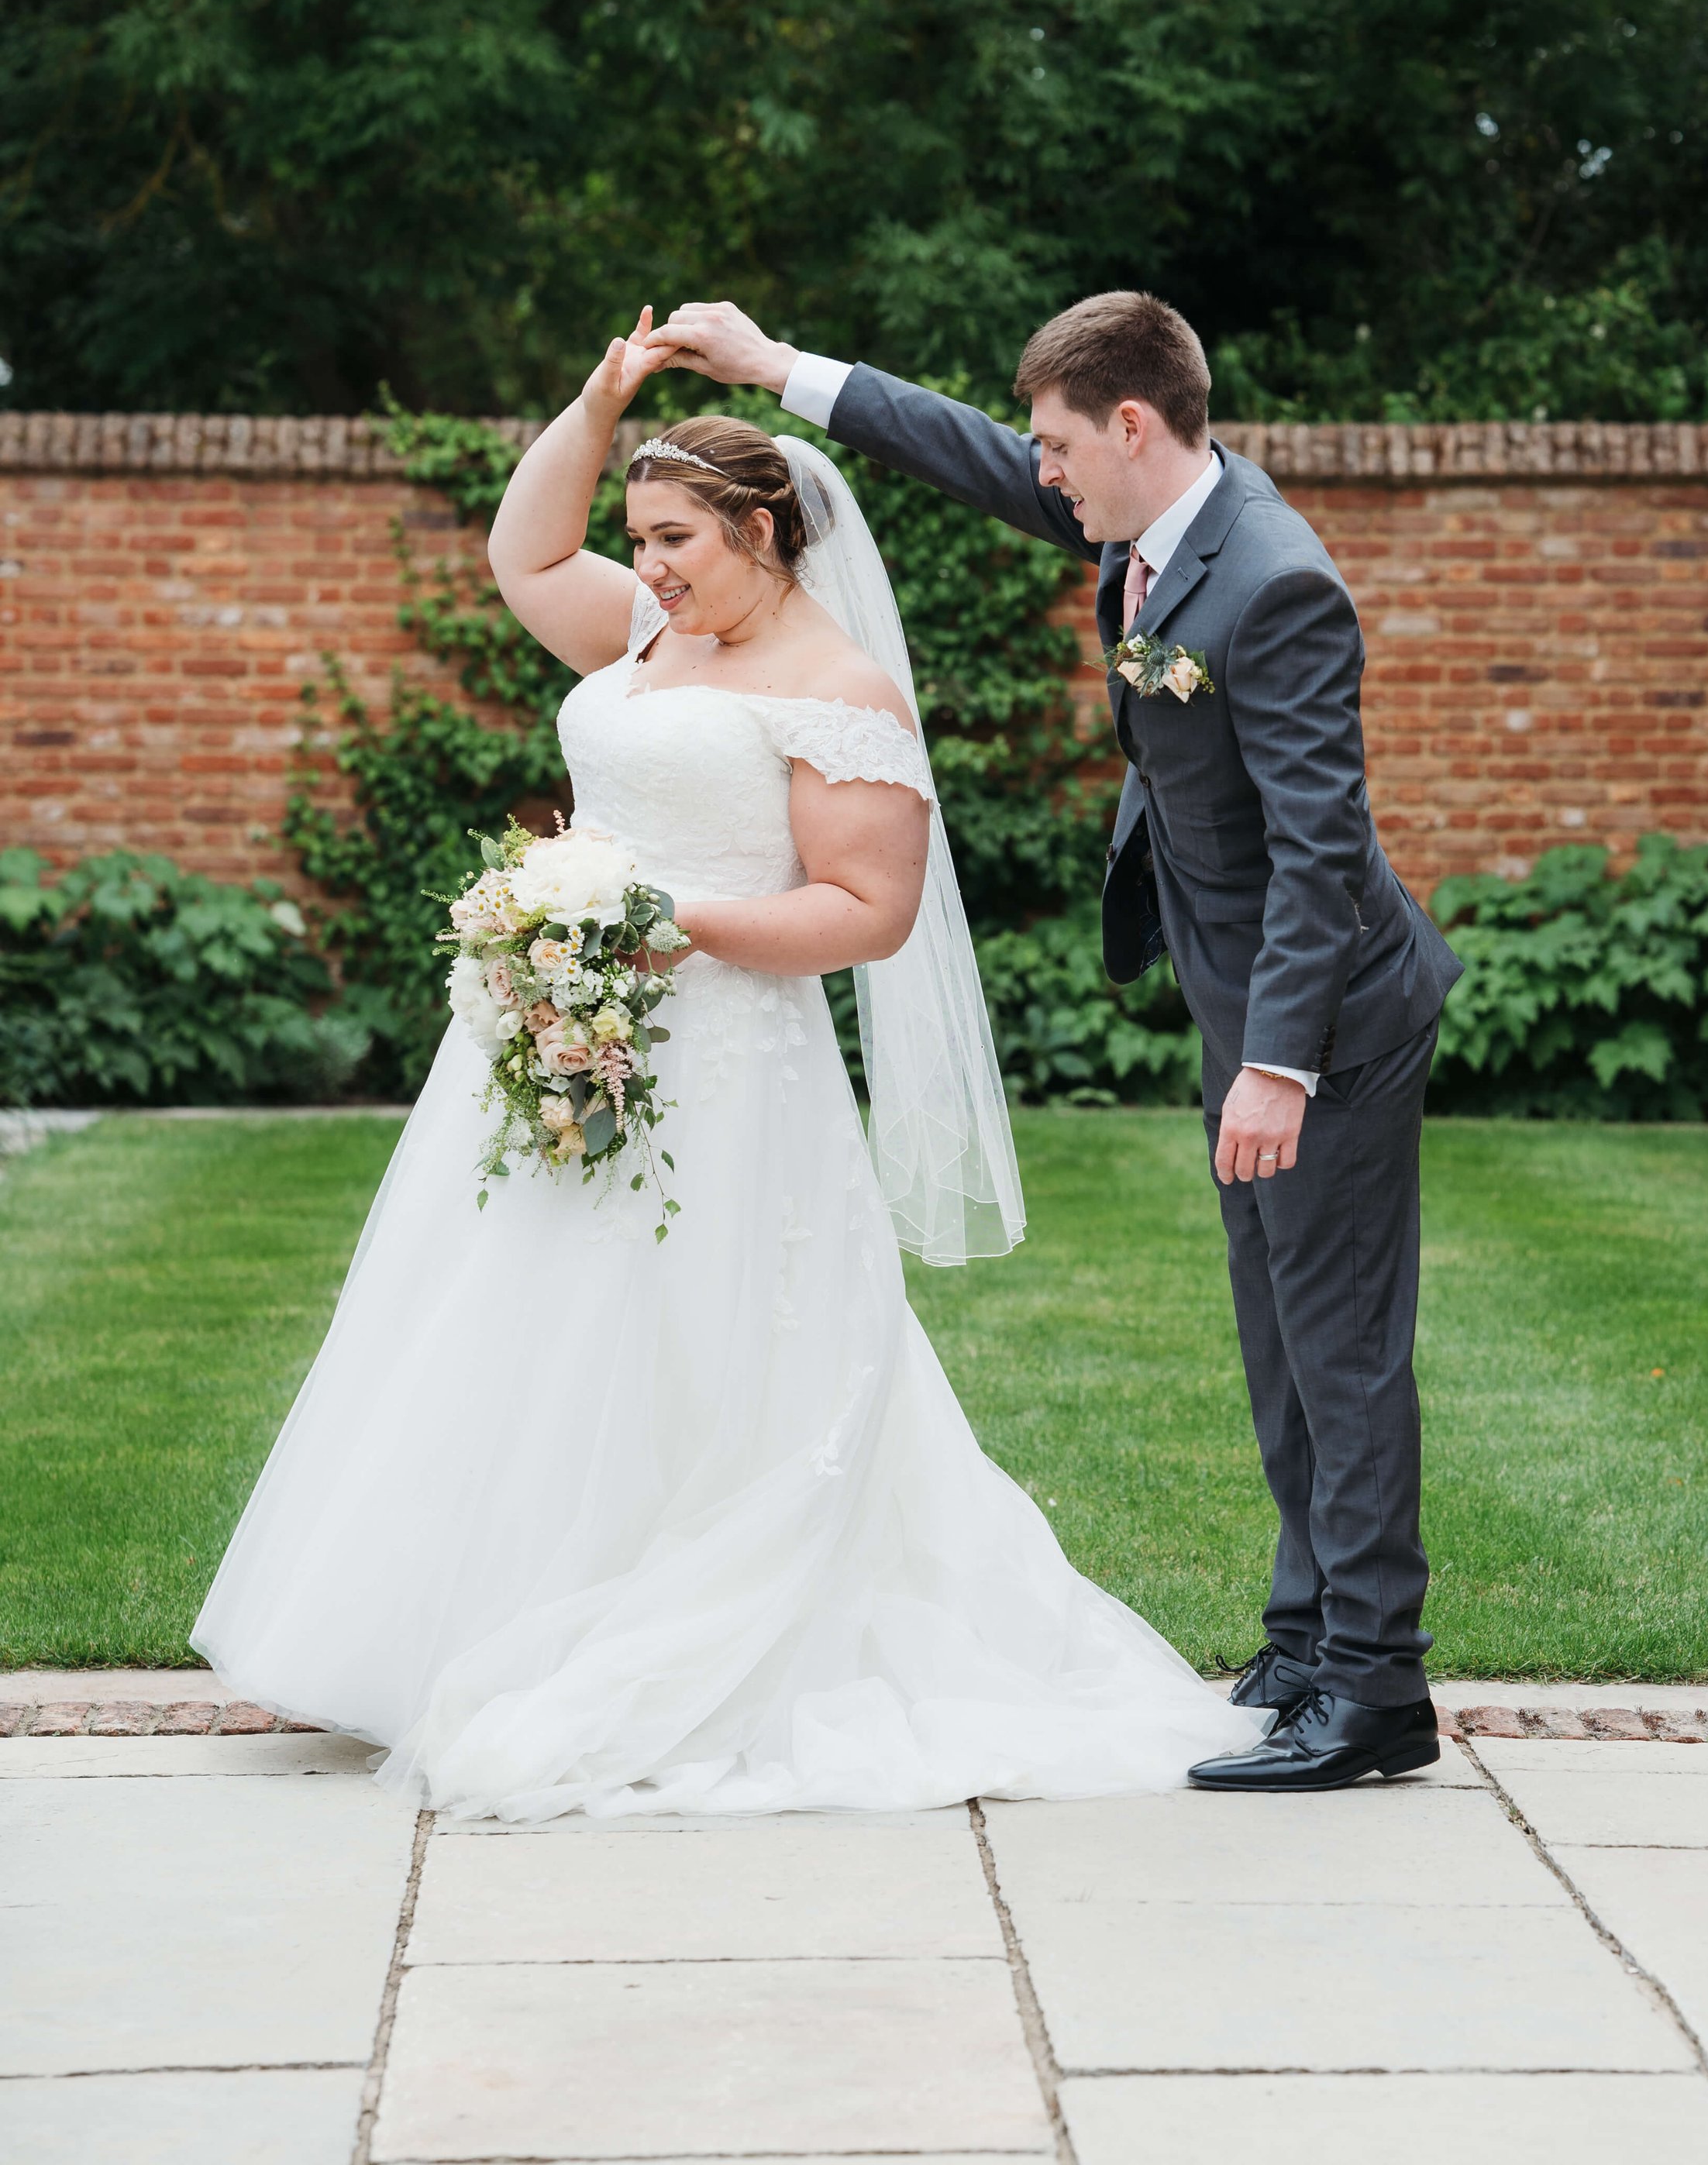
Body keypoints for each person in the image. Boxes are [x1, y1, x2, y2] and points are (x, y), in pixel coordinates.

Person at [192, 305, 1262, 1820]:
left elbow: (867, 911)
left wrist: (657, 916)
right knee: (524, 1323)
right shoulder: (643, 631)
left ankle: (682, 1634)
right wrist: (598, 398)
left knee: (704, 1345)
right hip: (571, 1046)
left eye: (682, 536)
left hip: (731, 1074)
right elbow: (522, 557)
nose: (657, 566)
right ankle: (464, 1630)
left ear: (768, 529)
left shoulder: (837, 691)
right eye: (643, 535)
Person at [642, 290, 1465, 1792]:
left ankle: (1374, 1688)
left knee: (1337, 1350)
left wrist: (1276, 1064)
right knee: (1278, 1341)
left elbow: (1320, 848)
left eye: (1059, 443)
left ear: (1131, 426)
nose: (1044, 470)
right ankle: (1303, 1637)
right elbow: (960, 450)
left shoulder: (1269, 581)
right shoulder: (1152, 527)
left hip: (1325, 1016)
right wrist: (778, 372)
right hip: (1248, 1002)